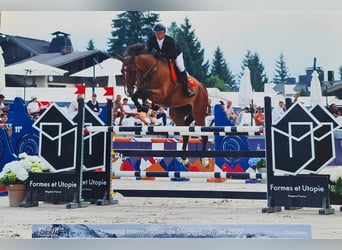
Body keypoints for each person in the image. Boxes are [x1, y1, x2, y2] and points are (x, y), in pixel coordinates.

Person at [147, 23, 195, 98]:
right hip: (162, 56)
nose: (157, 35)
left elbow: (173, 55)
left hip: (175, 55)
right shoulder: (152, 39)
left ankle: (186, 89)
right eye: (156, 33)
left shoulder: (170, 41)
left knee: (180, 66)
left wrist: (161, 55)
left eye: (159, 33)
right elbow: (148, 50)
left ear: (164, 33)